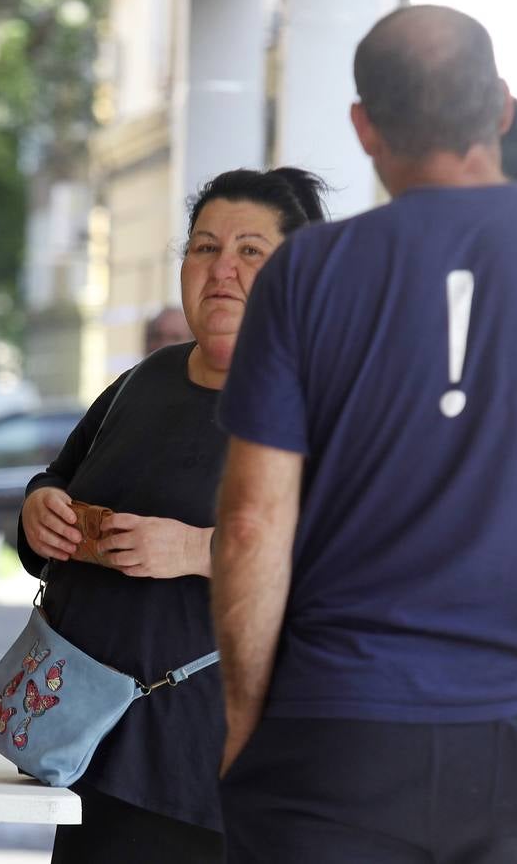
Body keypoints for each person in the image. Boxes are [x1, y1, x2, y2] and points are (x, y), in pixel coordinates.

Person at [213, 5, 517, 863]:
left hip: (335, 736)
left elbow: (253, 522)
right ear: (502, 108)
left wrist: (245, 714)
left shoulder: (307, 270)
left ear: (363, 127)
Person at [18, 167, 327, 864]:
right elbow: (59, 475)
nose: (222, 270)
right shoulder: (143, 380)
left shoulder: (318, 403)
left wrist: (197, 551)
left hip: (207, 772)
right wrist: (39, 510)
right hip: (82, 747)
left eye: (251, 251)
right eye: (203, 247)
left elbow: (343, 563)